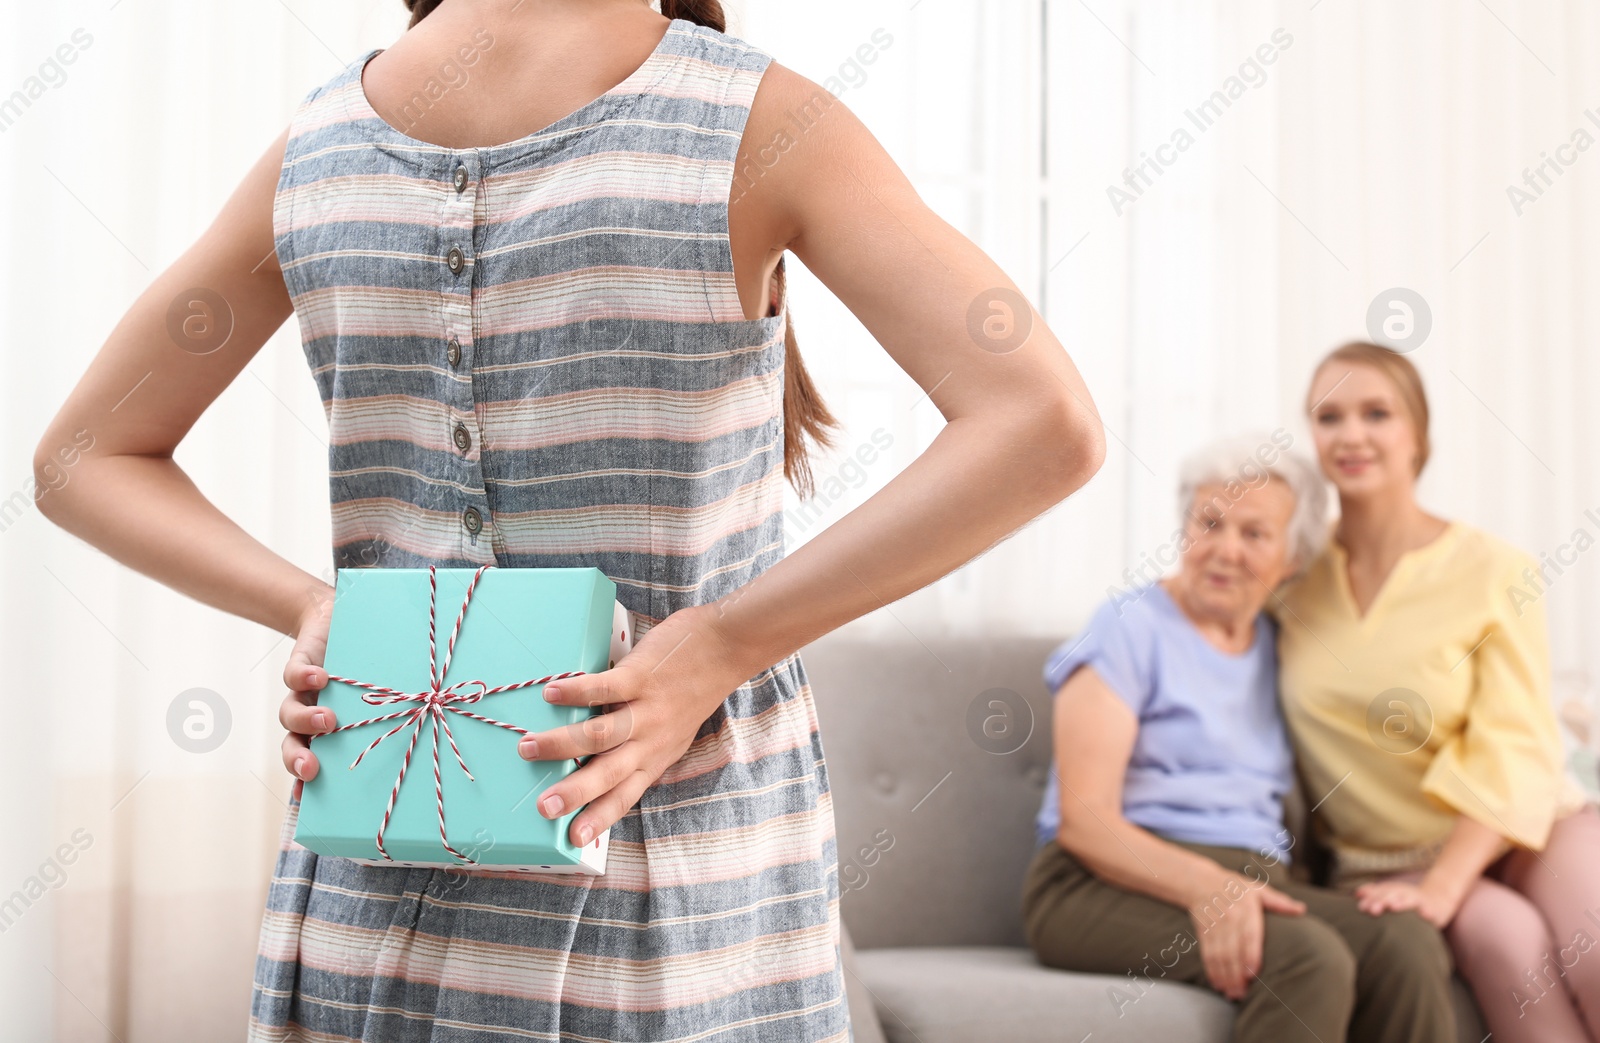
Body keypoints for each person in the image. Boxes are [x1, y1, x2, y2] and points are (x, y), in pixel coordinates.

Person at [30, 1, 1106, 1039]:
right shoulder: (761, 121)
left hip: (383, 859)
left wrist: (317, 609)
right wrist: (723, 642)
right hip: (669, 883)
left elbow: (80, 460)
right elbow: (1044, 424)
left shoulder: (315, 144)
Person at [1022, 435, 1457, 1043]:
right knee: (1308, 958)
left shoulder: (1284, 650)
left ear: (1292, 557)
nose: (1226, 550)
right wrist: (1207, 888)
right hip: (1100, 881)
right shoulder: (1128, 628)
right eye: (1210, 523)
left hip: (1255, 875)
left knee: (1404, 944)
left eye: (1254, 534)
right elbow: (1083, 819)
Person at [1274, 341, 1600, 1042]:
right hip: (1392, 853)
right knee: (1511, 945)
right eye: (1329, 417)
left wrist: (1448, 884)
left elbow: (1516, 743)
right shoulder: (1290, 577)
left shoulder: (1494, 569)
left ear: (1417, 433)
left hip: (1531, 825)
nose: (1351, 434)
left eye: (1376, 413)